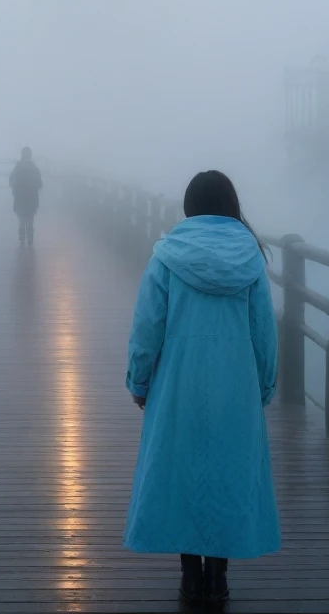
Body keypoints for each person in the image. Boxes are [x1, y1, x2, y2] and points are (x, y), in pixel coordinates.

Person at [123, 170, 279, 606]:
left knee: (183, 472)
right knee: (228, 472)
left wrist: (139, 380)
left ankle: (190, 577)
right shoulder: (249, 259)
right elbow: (264, 331)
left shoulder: (167, 256)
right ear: (231, 205)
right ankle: (219, 575)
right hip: (236, 385)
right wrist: (263, 386)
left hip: (177, 380)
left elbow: (147, 326)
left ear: (189, 206)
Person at [9, 147, 42, 247]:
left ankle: (23, 239)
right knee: (28, 218)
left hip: (23, 196)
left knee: (24, 218)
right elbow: (39, 182)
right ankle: (28, 239)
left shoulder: (19, 167)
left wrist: (16, 189)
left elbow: (12, 181)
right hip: (29, 196)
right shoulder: (33, 167)